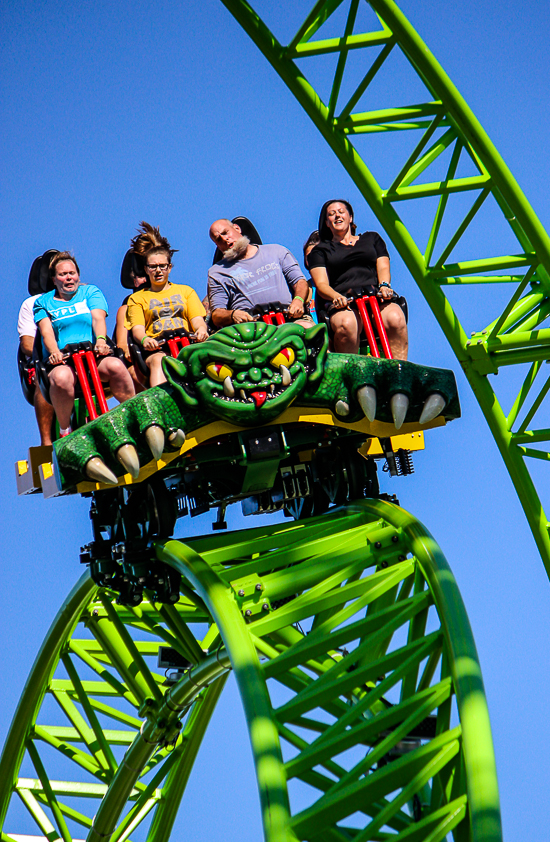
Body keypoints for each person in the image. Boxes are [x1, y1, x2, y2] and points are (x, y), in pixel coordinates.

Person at [34, 252, 135, 436]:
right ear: (54, 279)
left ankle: (136, 414)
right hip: (64, 361)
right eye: (63, 274)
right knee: (61, 378)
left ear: (78, 275)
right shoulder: (43, 302)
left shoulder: (90, 292)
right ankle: (66, 429)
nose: (68, 278)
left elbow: (98, 318)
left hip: (93, 357)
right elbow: (46, 331)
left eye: (72, 273)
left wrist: (102, 341)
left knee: (115, 366)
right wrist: (54, 351)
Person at [307, 200, 408, 359]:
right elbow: (321, 284)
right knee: (346, 325)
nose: (337, 216)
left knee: (395, 318)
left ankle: (400, 369)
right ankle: (352, 375)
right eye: (331, 214)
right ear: (327, 222)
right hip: (344, 301)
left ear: (350, 217)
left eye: (341, 211)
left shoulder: (372, 238)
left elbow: (382, 266)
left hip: (375, 296)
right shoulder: (320, 251)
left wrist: (384, 285)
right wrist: (336, 297)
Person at [125, 222, 209, 387]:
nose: (158, 270)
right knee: (159, 361)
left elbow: (197, 320)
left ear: (169, 267)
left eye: (162, 266)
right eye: (153, 267)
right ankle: (162, 404)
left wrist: (201, 330)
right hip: (158, 349)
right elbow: (137, 330)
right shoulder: (137, 299)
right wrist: (145, 340)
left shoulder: (186, 291)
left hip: (186, 344)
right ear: (146, 269)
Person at [208, 218, 313, 328]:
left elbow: (299, 282)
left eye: (225, 232)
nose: (225, 239)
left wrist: (298, 300)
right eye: (219, 239)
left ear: (237, 228)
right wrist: (233, 314)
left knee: (307, 329)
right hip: (249, 328)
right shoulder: (217, 273)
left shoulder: (277, 251)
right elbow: (217, 313)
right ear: (218, 246)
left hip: (289, 318)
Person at [18, 294, 55, 446]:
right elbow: (26, 344)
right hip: (45, 360)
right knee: (45, 378)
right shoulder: (32, 303)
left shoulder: (81, 294)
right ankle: (46, 442)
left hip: (78, 353)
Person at [115, 249, 148, 392]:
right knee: (135, 374)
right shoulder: (125, 308)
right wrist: (127, 351)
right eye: (141, 276)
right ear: (134, 280)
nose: (145, 280)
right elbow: (122, 344)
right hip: (142, 358)